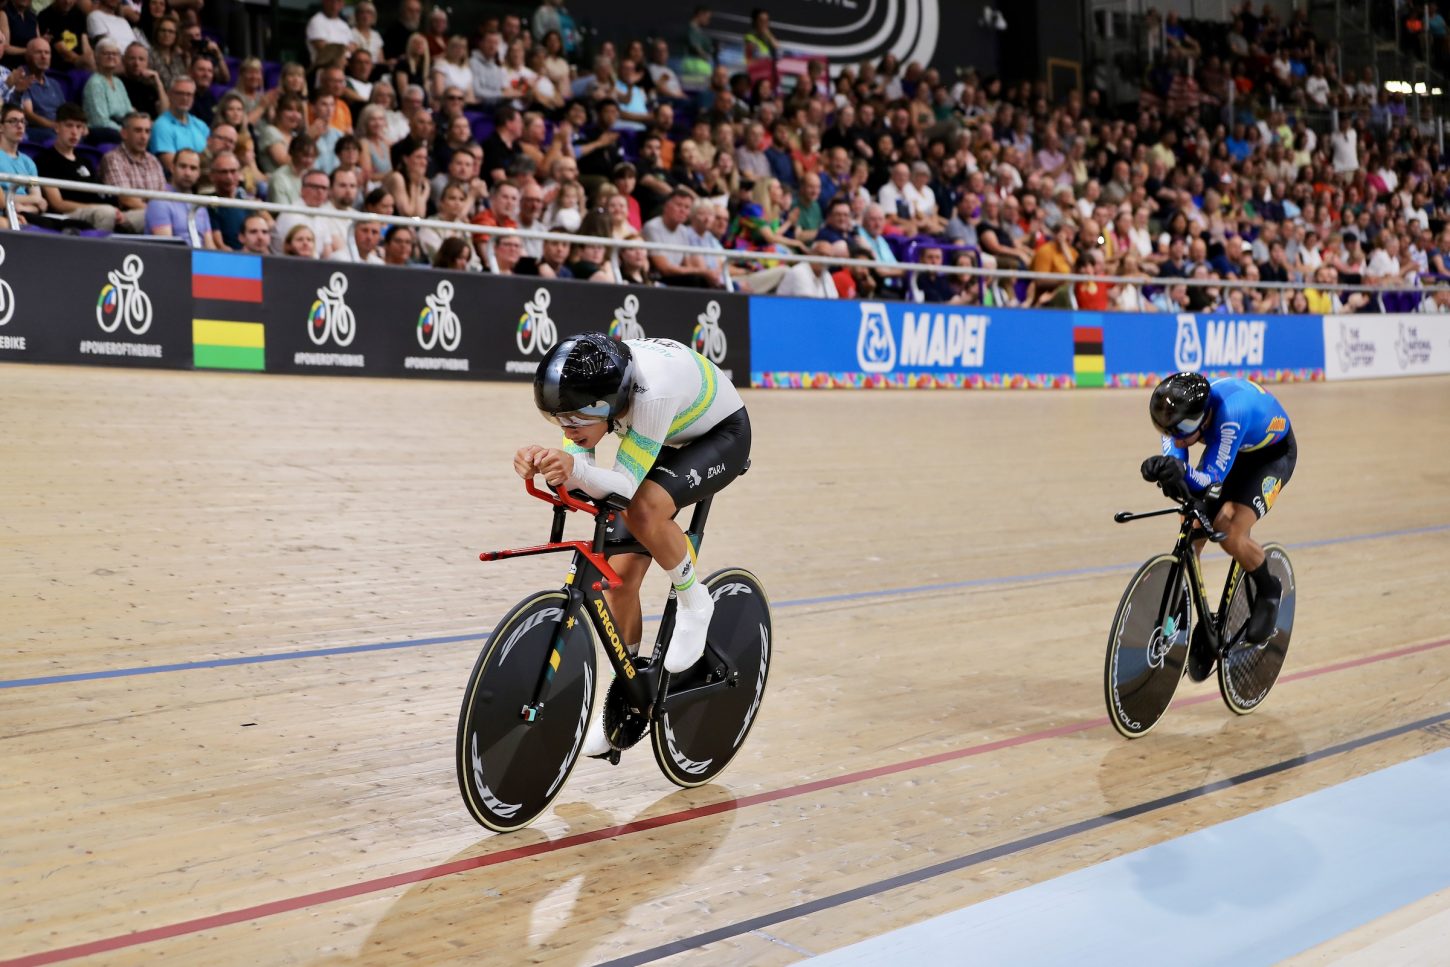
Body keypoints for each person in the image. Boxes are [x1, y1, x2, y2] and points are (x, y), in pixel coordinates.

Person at [517, 333, 749, 758]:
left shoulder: (651, 391)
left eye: (575, 420)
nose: (568, 429)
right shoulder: (588, 394)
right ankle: (630, 688)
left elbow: (622, 487)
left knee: (644, 509)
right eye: (558, 420)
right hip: (660, 436)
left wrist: (573, 470)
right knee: (617, 581)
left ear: (610, 400)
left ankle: (696, 601)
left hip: (717, 435)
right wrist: (551, 465)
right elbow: (583, 477)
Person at [1140, 373, 1297, 681]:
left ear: (1204, 416)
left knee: (1230, 530)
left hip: (1269, 457)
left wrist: (1180, 470)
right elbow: (1176, 456)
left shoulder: (1229, 415)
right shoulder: (1178, 416)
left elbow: (1209, 480)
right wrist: (1166, 469)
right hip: (1235, 450)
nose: (1176, 434)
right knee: (1191, 520)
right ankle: (1185, 600)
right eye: (1166, 428)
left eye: (1183, 429)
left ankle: (1268, 590)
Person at [36, 103, 123, 231]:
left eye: (79, 127)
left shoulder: (86, 161)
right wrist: (96, 207)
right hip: (66, 217)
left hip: (97, 211)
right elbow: (58, 204)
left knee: (146, 216)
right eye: (69, 125)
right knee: (106, 213)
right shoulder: (44, 160)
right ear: (57, 127)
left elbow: (99, 194)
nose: (74, 132)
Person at [145, 147, 215, 247]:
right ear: (172, 168)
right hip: (175, 260)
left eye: (193, 168)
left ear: (199, 173)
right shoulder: (159, 200)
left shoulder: (200, 206)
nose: (187, 173)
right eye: (183, 166)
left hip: (200, 259)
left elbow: (210, 247)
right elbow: (166, 249)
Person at [0, 103, 46, 222]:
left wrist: (23, 207)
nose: (20, 126)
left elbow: (38, 197)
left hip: (26, 214)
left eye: (22, 121)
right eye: (13, 121)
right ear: (1, 127)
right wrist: (33, 200)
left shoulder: (29, 163)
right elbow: (2, 200)